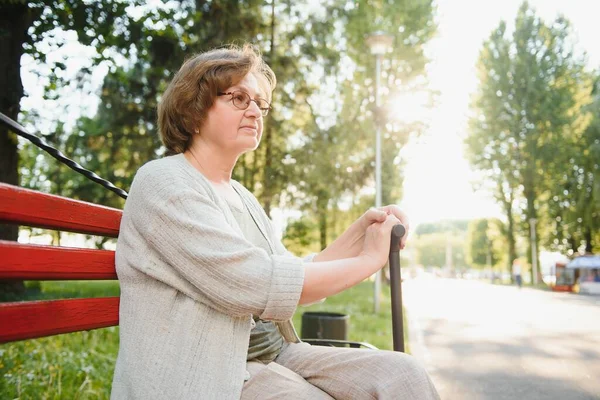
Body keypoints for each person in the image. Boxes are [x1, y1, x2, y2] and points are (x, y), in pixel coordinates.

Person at [110, 44, 439, 400]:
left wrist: (361, 232)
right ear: (193, 108)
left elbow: (289, 272)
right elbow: (254, 283)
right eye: (238, 98)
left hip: (276, 354)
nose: (254, 111)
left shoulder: (242, 197)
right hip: (212, 371)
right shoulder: (164, 182)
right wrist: (368, 261)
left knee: (404, 374)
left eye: (260, 103)